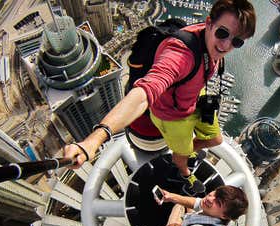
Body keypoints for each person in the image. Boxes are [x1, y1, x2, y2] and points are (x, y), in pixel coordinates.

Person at [64, 0, 256, 196]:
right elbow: (145, 93)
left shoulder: (205, 38)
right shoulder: (181, 56)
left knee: (216, 139)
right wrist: (96, 138)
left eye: (237, 41)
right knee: (183, 153)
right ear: (208, 23)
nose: (226, 45)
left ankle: (187, 150)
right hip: (173, 117)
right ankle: (182, 170)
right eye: (222, 33)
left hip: (193, 97)